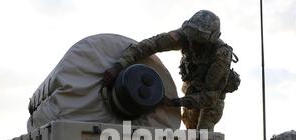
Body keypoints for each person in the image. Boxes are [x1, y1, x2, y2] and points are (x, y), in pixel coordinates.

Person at [102, 10, 239, 131]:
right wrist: (119, 66)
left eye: (198, 41)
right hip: (193, 85)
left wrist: (174, 102)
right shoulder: (186, 35)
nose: (192, 44)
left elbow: (210, 96)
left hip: (212, 96)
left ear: (211, 39)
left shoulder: (221, 55)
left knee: (203, 136)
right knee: (190, 129)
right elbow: (151, 45)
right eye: (191, 37)